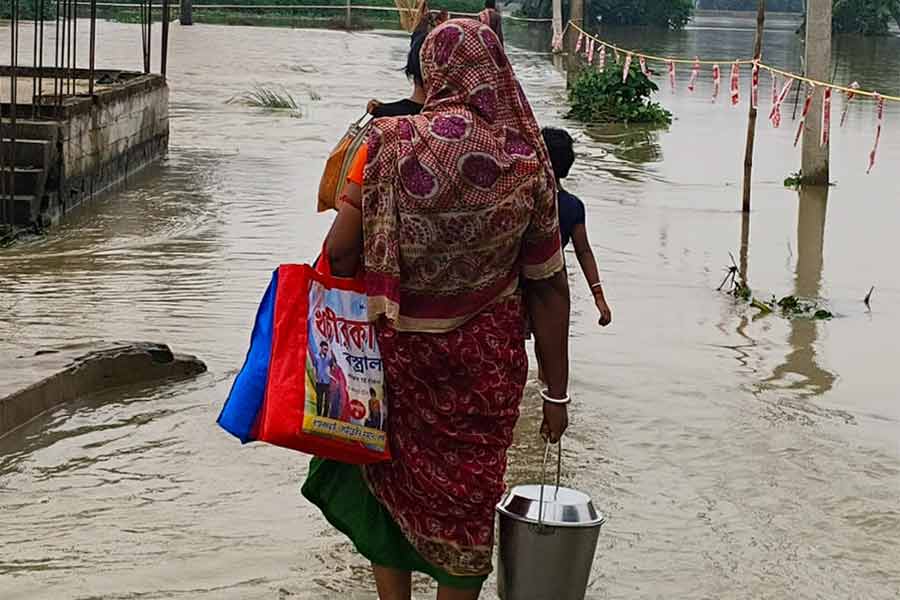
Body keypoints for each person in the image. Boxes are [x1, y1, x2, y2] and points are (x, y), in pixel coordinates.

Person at [303, 19, 571, 600]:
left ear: (431, 72)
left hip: (397, 365)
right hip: (484, 377)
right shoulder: (528, 162)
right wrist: (556, 395)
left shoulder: (387, 142)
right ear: (495, 72)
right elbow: (549, 288)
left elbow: (340, 250)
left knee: (386, 480)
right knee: (469, 502)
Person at [540, 127, 612, 327]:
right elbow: (584, 251)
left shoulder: (522, 200)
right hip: (553, 284)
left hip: (515, 287)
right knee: (554, 356)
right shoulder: (572, 206)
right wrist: (598, 296)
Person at [312, 341, 334, 417]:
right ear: (321, 348)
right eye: (324, 349)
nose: (325, 350)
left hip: (327, 382)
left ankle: (325, 417)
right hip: (319, 382)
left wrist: (333, 362)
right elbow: (314, 367)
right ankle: (318, 416)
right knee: (319, 400)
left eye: (326, 349)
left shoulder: (329, 358)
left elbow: (333, 368)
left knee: (327, 401)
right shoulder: (316, 357)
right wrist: (315, 377)